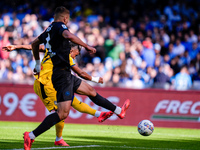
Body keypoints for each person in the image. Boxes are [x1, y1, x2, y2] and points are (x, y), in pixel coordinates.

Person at [24, 6, 130, 150]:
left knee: (91, 91)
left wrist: (37, 63)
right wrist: (86, 45)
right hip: (61, 76)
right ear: (65, 19)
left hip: (64, 74)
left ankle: (118, 111)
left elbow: (34, 44)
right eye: (67, 21)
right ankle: (31, 136)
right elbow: (68, 36)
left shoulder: (48, 31)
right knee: (61, 114)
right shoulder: (59, 26)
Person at [3, 44, 115, 146]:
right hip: (44, 84)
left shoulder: (54, 48)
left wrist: (17, 46)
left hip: (54, 83)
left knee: (71, 101)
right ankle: (50, 138)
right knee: (60, 112)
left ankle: (98, 114)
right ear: (71, 50)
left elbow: (36, 46)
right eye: (75, 54)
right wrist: (95, 79)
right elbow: (80, 73)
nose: (75, 57)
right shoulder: (64, 55)